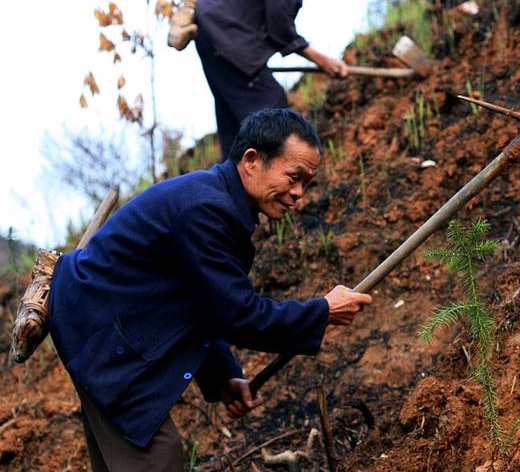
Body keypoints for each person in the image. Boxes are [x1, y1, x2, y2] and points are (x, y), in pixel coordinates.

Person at [48, 108, 372, 471]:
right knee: (159, 459)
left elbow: (200, 302)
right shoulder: (205, 208)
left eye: (306, 184)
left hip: (94, 324)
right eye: (293, 177)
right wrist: (322, 311)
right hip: (101, 335)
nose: (298, 193)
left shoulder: (218, 202)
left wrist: (222, 376)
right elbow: (237, 314)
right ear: (252, 160)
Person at [188, 0, 348, 160]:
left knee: (233, 124)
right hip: (226, 31)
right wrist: (321, 59)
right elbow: (278, 18)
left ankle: (231, 180)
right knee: (272, 114)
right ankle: (277, 179)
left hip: (212, 29)